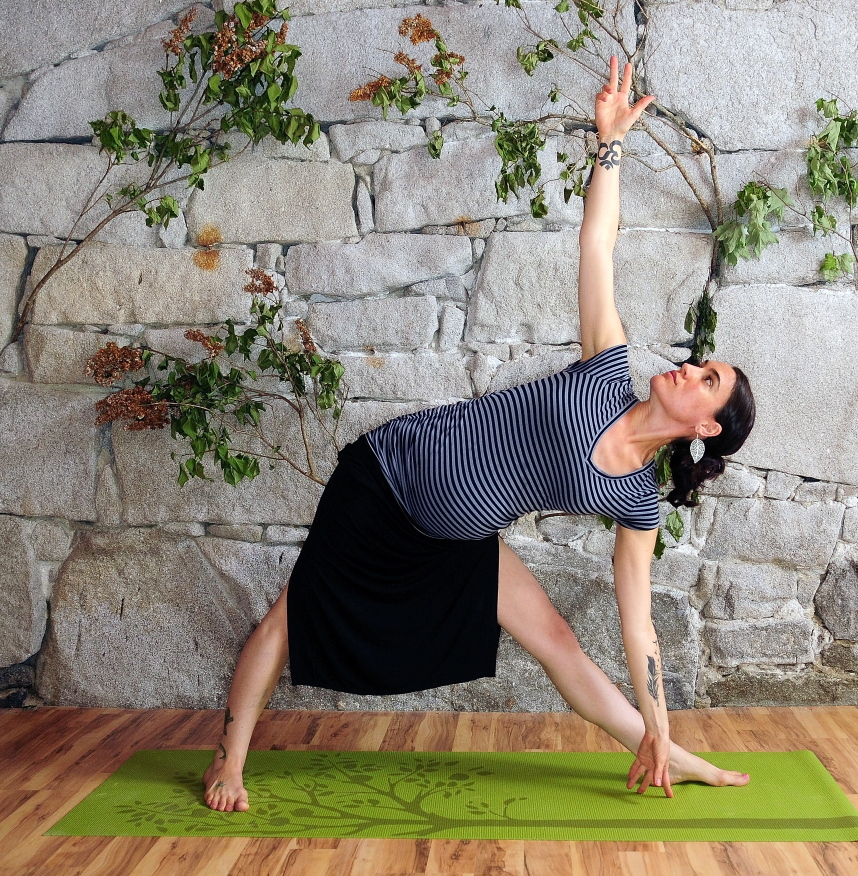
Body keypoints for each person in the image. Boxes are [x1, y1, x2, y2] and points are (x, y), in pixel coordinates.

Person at [203, 57, 755, 813]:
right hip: (386, 483)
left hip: (456, 540)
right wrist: (608, 145)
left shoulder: (637, 503)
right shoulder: (607, 368)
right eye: (700, 363)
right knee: (290, 617)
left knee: (558, 639)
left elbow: (640, 628)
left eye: (708, 381)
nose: (691, 370)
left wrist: (660, 721)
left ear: (703, 427)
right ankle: (228, 763)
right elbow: (598, 243)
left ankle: (669, 752)